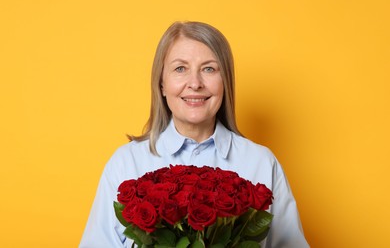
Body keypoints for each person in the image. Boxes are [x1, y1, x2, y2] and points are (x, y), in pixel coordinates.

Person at [80, 21, 309, 248]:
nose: (195, 83)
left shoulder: (262, 163)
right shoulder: (125, 163)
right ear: (162, 83)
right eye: (180, 69)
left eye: (209, 68)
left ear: (225, 81)